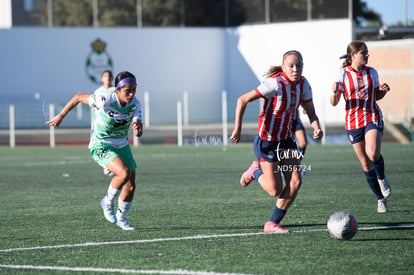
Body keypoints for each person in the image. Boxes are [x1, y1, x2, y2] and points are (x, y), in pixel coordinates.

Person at [230, 50, 323, 233]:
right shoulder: (275, 84)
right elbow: (243, 100)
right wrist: (237, 129)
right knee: (274, 190)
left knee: (296, 181)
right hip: (267, 142)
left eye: (299, 65)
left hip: (287, 141)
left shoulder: (304, 85)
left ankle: (271, 223)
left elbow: (311, 112)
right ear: (283, 67)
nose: (295, 69)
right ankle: (255, 171)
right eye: (291, 66)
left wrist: (316, 126)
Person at [46, 71, 143, 230]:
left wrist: (138, 129)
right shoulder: (104, 99)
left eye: (134, 90)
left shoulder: (135, 104)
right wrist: (61, 116)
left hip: (122, 144)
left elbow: (139, 129)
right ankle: (107, 202)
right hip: (101, 144)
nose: (132, 94)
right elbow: (78, 97)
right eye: (127, 91)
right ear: (117, 90)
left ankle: (121, 218)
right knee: (123, 173)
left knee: (131, 185)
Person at [330, 40, 391, 213]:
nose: (367, 55)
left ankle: (381, 177)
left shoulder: (372, 72)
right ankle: (380, 199)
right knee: (365, 163)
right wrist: (334, 91)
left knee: (372, 153)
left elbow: (375, 96)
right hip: (352, 122)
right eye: (363, 52)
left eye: (367, 52)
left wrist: (383, 91)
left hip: (372, 116)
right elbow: (334, 102)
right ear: (353, 55)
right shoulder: (342, 74)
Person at [93, 70, 116, 176]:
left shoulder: (115, 91)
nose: (107, 78)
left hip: (113, 123)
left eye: (109, 76)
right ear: (102, 78)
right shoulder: (98, 92)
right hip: (101, 123)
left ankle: (111, 164)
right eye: (105, 76)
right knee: (100, 143)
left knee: (113, 143)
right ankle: (107, 164)